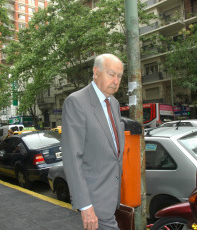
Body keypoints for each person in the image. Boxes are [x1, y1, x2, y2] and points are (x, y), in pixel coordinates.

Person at [62, 53, 125, 230]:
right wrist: (85, 205)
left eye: (119, 76)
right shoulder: (76, 102)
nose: (116, 80)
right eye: (111, 74)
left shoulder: (114, 103)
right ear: (96, 72)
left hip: (110, 197)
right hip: (93, 201)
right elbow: (72, 158)